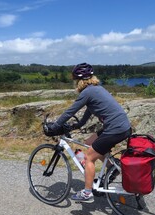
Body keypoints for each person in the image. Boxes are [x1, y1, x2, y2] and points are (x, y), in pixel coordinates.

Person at [47, 63, 131, 203]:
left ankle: (87, 193)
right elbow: (90, 109)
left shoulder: (87, 92)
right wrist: (78, 125)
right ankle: (112, 166)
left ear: (79, 80)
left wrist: (56, 126)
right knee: (88, 143)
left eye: (75, 80)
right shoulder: (96, 89)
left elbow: (70, 111)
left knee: (89, 156)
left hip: (115, 129)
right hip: (121, 126)